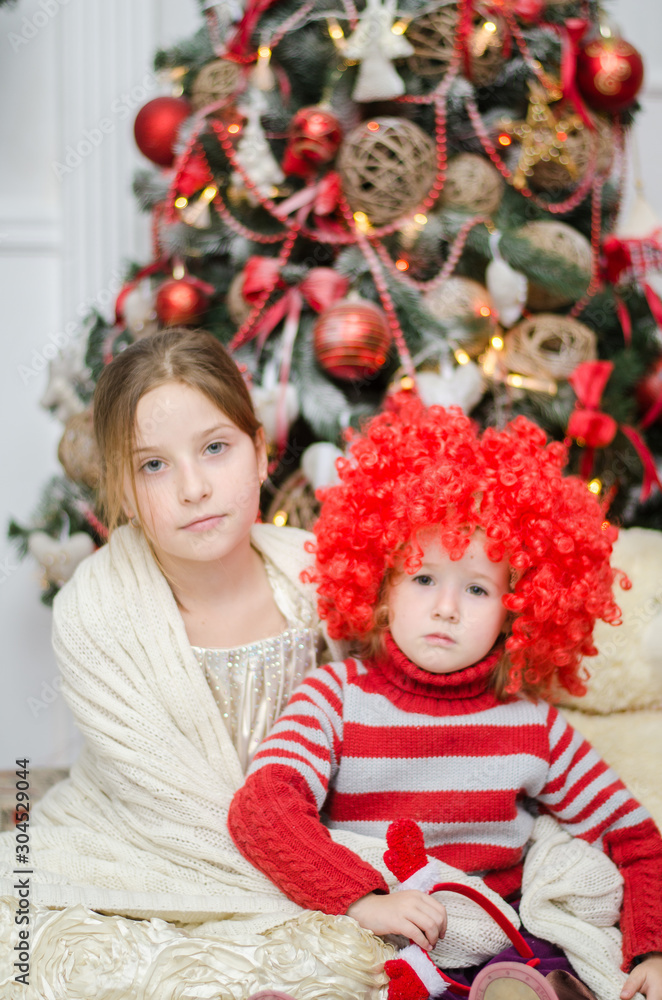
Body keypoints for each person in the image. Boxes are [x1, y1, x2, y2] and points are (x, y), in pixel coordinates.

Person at [0, 330, 391, 1000]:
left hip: (310, 831)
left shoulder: (318, 579)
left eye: (215, 449)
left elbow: (389, 731)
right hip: (139, 841)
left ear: (261, 453)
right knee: (54, 957)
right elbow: (167, 806)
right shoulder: (96, 612)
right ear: (119, 487)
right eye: (153, 466)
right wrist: (337, 887)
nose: (192, 488)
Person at [228, 396, 662, 1000]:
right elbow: (264, 808)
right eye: (424, 576)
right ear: (381, 584)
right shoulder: (337, 695)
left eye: (478, 588)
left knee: (526, 980)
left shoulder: (532, 725)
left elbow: (634, 839)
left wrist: (653, 946)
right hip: (369, 927)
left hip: (491, 941)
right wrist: (362, 899)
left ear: (519, 609)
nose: (446, 607)